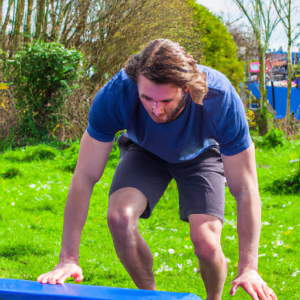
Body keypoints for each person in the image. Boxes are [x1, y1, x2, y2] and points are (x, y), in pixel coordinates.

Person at [37, 39, 277, 300]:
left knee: (207, 242)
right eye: (147, 98)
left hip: (201, 154)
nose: (156, 109)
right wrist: (68, 258)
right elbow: (84, 176)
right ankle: (152, 297)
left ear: (185, 88)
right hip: (144, 150)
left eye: (166, 100)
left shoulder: (219, 99)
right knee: (120, 217)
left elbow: (245, 189)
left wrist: (249, 268)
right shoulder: (116, 95)